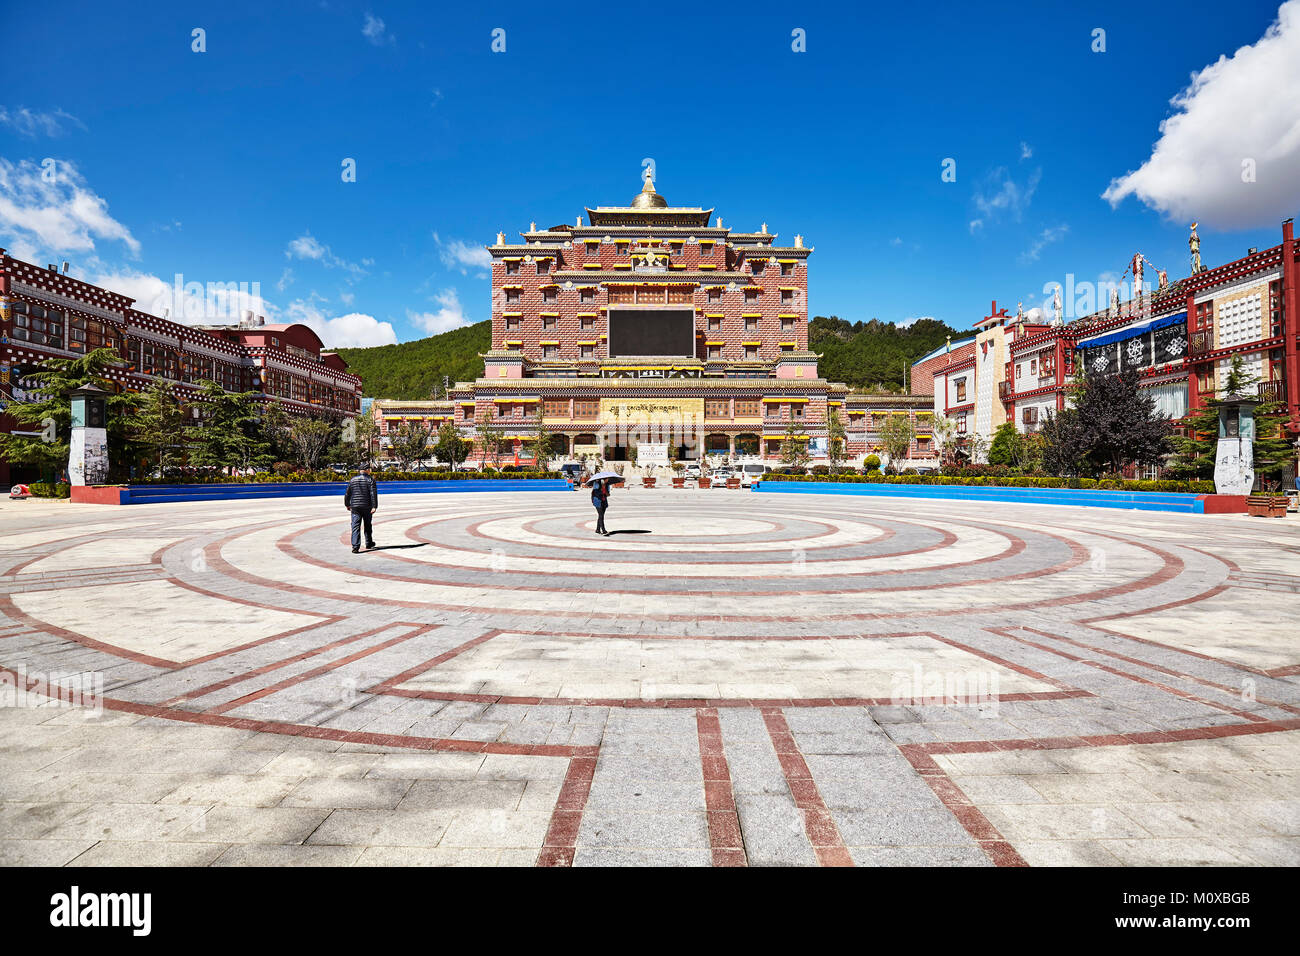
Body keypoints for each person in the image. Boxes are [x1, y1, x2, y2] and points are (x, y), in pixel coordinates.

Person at [344, 464, 378, 553]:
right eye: (369, 469)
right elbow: (373, 494)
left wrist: (347, 504)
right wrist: (374, 506)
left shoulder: (352, 480)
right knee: (367, 525)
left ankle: (355, 546)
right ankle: (369, 543)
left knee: (355, 526)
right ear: (366, 470)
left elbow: (348, 493)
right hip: (367, 506)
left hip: (355, 507)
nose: (370, 471)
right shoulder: (370, 479)